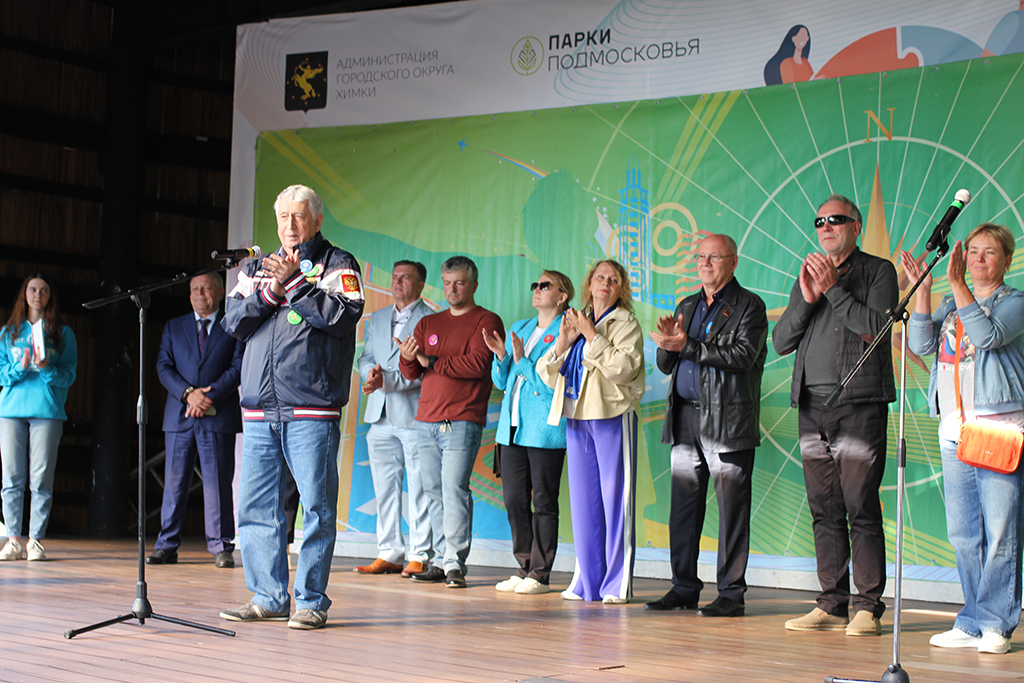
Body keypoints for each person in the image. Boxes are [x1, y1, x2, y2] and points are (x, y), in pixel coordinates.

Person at [220, 184, 364, 630]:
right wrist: (270, 292)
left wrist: (297, 283)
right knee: (256, 507)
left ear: (317, 221)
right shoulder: (256, 268)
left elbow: (343, 317)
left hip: (311, 407)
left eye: (299, 216)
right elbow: (233, 321)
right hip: (259, 409)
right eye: (283, 217)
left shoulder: (338, 263)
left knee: (317, 507)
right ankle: (268, 597)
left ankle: (311, 601)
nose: (290, 225)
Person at [773, 194, 897, 637]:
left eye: (836, 219)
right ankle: (831, 603)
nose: (825, 226)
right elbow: (781, 342)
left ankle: (867, 606)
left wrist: (832, 291)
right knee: (823, 509)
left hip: (859, 405)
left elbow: (877, 329)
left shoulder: (878, 271)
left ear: (856, 227)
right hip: (812, 406)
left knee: (860, 505)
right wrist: (808, 298)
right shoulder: (809, 273)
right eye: (820, 221)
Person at [903, 223, 1024, 655]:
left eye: (988, 252)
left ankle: (996, 624)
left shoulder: (1015, 302)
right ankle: (972, 620)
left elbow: (988, 336)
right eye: (972, 251)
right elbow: (921, 343)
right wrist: (923, 293)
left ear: (1006, 259)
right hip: (954, 429)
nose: (978, 259)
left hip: (997, 428)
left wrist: (957, 285)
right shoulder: (951, 304)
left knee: (1000, 531)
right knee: (963, 534)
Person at [644, 234, 767, 617]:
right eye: (701, 257)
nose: (705, 263)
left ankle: (731, 593)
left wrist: (686, 346)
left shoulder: (749, 305)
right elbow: (667, 364)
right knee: (682, 508)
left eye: (714, 257)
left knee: (732, 512)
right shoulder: (687, 304)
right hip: (685, 418)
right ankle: (683, 587)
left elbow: (742, 356)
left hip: (727, 420)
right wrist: (668, 344)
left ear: (733, 262)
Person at [537, 259, 645, 604]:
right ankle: (588, 581)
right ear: (589, 283)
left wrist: (592, 336)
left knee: (617, 502)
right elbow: (546, 372)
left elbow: (625, 369)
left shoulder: (625, 322)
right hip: (577, 416)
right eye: (600, 277)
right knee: (584, 505)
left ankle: (616, 584)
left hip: (612, 414)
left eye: (613, 279)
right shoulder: (574, 319)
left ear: (621, 288)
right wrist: (563, 341)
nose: (605, 283)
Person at [397, 256, 503, 588]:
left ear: (473, 285)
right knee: (432, 491)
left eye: (459, 283)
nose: (452, 289)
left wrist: (431, 361)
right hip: (426, 420)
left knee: (454, 489)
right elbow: (411, 372)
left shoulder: (487, 320)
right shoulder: (429, 323)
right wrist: (408, 358)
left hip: (461, 420)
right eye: (446, 283)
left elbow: (477, 365)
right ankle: (441, 561)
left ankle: (455, 562)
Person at [483, 270, 574, 595]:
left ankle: (540, 573)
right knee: (514, 501)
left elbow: (552, 385)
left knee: (545, 502)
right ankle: (523, 567)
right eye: (535, 284)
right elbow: (501, 381)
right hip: (512, 428)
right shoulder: (520, 327)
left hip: (544, 430)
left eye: (545, 285)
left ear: (562, 296)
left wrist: (520, 361)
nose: (537, 289)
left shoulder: (567, 330)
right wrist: (501, 355)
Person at [147, 273, 244, 569]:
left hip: (218, 415)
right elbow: (163, 366)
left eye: (206, 288)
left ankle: (221, 546)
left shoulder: (233, 324)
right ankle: (166, 545)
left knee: (218, 484)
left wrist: (208, 397)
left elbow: (238, 366)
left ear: (220, 292)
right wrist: (189, 394)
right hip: (180, 415)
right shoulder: (174, 326)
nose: (200, 293)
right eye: (194, 289)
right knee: (174, 483)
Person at [354, 260, 434, 578]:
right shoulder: (377, 317)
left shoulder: (431, 318)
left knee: (419, 486)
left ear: (420, 285)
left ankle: (419, 554)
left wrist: (384, 381)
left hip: (414, 414)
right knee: (385, 487)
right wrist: (370, 375)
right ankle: (389, 552)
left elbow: (425, 368)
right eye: (395, 276)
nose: (398, 282)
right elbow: (365, 357)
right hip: (379, 414)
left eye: (406, 278)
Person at [0, 273, 77, 562]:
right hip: (11, 412)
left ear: (50, 296)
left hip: (47, 411)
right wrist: (19, 367)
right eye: (32, 289)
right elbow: (1, 374)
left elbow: (69, 375)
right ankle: (13, 541)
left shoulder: (63, 333)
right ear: (24, 294)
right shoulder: (8, 332)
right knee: (11, 478)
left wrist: (45, 368)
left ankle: (35, 541)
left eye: (44, 290)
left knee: (41, 478)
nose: (37, 295)